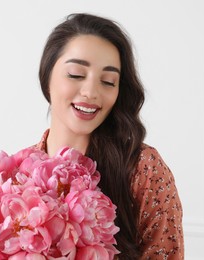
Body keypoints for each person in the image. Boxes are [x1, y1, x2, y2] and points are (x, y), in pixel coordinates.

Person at [33, 13, 184, 259]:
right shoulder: (14, 176)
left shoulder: (143, 168)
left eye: (108, 81)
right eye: (75, 75)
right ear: (46, 76)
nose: (91, 92)